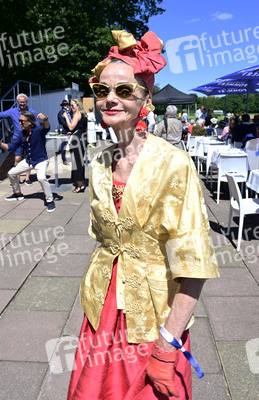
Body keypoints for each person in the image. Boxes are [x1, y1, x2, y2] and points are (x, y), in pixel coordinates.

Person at [67, 29, 219, 400]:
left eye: (124, 90)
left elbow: (194, 264)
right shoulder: (100, 160)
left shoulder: (174, 164)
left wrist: (167, 347)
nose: (110, 99)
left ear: (145, 99)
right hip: (102, 309)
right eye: (102, 91)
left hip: (151, 317)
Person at [0, 111, 55, 212]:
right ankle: (17, 194)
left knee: (41, 178)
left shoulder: (38, 130)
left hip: (41, 160)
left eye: (22, 121)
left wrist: (45, 119)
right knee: (11, 173)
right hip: (29, 161)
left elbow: (47, 128)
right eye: (19, 121)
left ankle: (50, 201)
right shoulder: (22, 134)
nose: (20, 123)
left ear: (29, 122)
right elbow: (11, 147)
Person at [0, 93, 38, 185]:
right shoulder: (12, 111)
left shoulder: (32, 112)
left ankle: (27, 178)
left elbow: (36, 125)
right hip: (18, 139)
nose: (22, 103)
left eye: (24, 102)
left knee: (28, 158)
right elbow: (1, 115)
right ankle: (17, 179)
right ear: (17, 102)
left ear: (26, 102)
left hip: (29, 138)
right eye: (20, 102)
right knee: (17, 158)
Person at [63, 98, 87, 193]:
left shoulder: (77, 114)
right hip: (82, 139)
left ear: (78, 105)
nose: (71, 107)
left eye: (72, 105)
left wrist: (66, 117)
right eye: (70, 105)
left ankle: (80, 185)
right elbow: (83, 128)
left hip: (77, 140)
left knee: (77, 163)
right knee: (80, 162)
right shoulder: (84, 114)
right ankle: (82, 182)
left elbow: (71, 126)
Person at [57, 99, 72, 165]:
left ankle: (67, 158)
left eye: (66, 104)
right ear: (62, 105)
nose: (66, 105)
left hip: (68, 130)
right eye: (64, 104)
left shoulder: (67, 112)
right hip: (63, 130)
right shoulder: (61, 112)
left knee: (67, 144)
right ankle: (64, 160)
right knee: (64, 145)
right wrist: (71, 127)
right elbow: (63, 123)